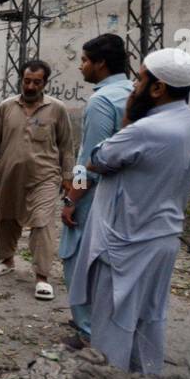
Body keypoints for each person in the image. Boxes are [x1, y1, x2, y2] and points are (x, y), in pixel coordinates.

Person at [67, 48, 190, 375]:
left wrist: (70, 199)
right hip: (163, 237)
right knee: (149, 318)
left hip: (127, 241)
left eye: (140, 79)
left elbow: (95, 158)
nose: (133, 88)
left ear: (157, 88)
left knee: (113, 324)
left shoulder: (134, 123)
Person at [0, 60, 74, 301]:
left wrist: (69, 178)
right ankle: (6, 260)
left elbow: (67, 147)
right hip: (9, 175)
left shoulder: (57, 109)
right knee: (6, 217)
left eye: (36, 82)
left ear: (45, 83)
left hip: (45, 177)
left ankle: (41, 276)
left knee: (42, 223)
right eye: (26, 81)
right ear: (21, 80)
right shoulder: (7, 107)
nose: (30, 86)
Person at [60, 34, 133, 345]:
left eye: (85, 60)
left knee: (76, 258)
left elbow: (91, 160)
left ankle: (88, 331)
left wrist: (71, 199)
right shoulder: (132, 92)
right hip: (125, 195)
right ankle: (106, 327)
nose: (81, 66)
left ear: (100, 64)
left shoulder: (102, 101)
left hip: (96, 195)